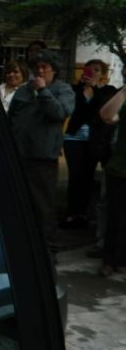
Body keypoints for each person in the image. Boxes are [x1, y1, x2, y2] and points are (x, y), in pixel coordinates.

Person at [8, 50, 75, 249]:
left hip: (42, 157)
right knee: (19, 201)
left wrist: (43, 91)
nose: (40, 70)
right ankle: (23, 242)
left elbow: (60, 113)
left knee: (43, 204)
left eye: (44, 66)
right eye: (37, 66)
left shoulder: (63, 90)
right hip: (19, 154)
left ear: (53, 69)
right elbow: (12, 118)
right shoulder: (23, 90)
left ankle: (48, 245)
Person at [61, 59, 118, 230]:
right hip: (74, 138)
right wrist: (82, 88)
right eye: (89, 69)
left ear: (102, 75)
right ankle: (72, 212)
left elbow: (101, 112)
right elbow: (75, 111)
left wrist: (94, 89)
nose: (92, 72)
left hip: (94, 140)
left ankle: (83, 213)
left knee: (87, 176)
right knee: (75, 175)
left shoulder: (107, 91)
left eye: (97, 70)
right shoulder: (74, 89)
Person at [98, 68, 126, 277]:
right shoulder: (123, 97)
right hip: (120, 168)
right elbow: (106, 115)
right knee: (115, 216)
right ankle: (110, 260)